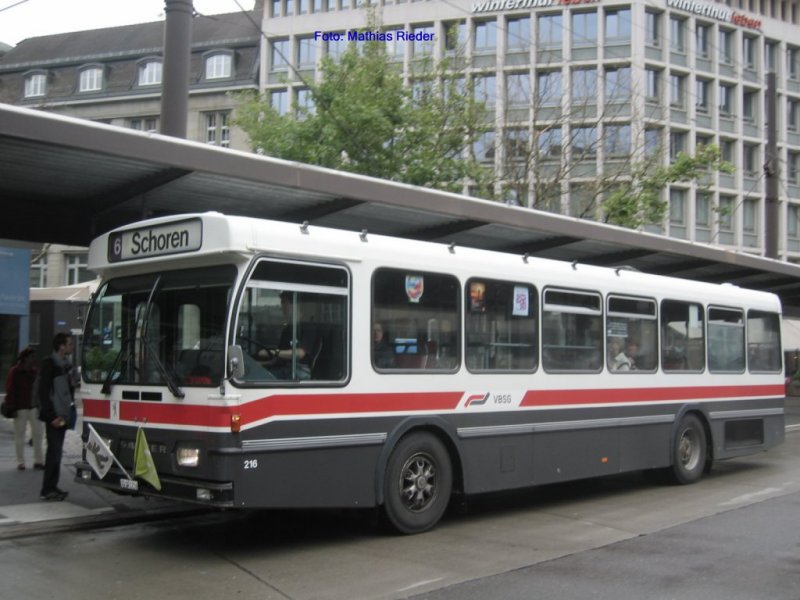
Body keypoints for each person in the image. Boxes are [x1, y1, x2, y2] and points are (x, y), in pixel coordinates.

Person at [38, 333, 76, 501]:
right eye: (69, 343)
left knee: (57, 452)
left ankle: (52, 487)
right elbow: (43, 393)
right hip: (55, 416)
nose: (71, 346)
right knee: (54, 452)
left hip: (62, 415)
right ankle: (48, 489)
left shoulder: (65, 366)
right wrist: (50, 416)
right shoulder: (50, 364)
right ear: (61, 346)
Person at [259, 292, 319, 380]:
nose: (282, 308)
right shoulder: (288, 329)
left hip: (299, 371)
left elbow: (299, 353)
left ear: (294, 304)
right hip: (285, 369)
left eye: (284, 303)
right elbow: (277, 359)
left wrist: (272, 352)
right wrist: (259, 365)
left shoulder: (308, 327)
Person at [4, 346, 44, 471]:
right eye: (32, 357)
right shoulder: (15, 371)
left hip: (33, 406)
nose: (33, 359)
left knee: (38, 433)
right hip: (20, 407)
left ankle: (38, 460)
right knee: (20, 434)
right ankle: (20, 461)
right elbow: (10, 389)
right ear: (26, 358)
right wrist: (12, 407)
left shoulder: (34, 371)